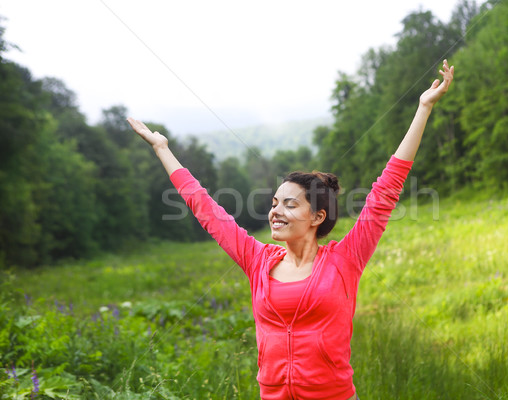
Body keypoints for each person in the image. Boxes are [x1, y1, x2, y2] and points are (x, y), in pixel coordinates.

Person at [127, 59, 454, 400]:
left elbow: (386, 189)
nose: (276, 212)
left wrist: (423, 108)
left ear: (317, 217)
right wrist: (162, 149)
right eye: (273, 203)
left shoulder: (345, 259)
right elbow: (205, 207)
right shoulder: (258, 260)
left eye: (289, 204)